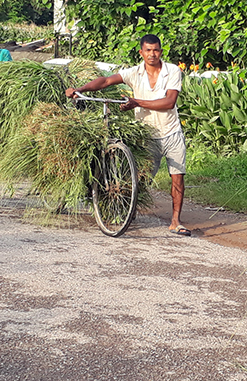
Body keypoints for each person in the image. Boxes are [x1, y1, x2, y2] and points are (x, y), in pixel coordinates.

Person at [64, 34, 190, 236]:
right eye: (148, 50)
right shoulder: (134, 73)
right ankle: (122, 210)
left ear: (161, 51)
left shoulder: (172, 71)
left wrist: (136, 102)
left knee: (177, 178)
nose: (152, 54)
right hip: (147, 135)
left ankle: (176, 221)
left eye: (156, 50)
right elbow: (106, 81)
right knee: (138, 179)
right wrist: (79, 89)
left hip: (171, 132)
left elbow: (169, 102)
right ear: (141, 52)